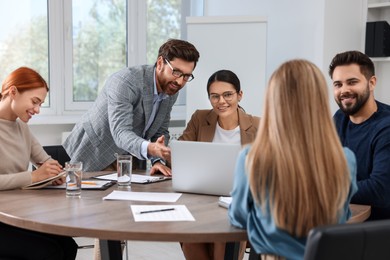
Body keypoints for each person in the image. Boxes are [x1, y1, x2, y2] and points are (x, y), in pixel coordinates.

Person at [228, 59, 357, 259]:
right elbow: (342, 216)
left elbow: (239, 217)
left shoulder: (252, 158)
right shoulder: (346, 159)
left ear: (273, 102)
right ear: (320, 101)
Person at [63, 38, 200, 176]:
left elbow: (160, 132)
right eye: (176, 72)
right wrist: (151, 148)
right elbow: (121, 132)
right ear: (160, 63)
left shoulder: (171, 90)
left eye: (186, 76)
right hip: (96, 151)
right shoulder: (126, 81)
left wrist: (157, 160)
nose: (180, 81)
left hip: (129, 157)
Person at [179, 69, 260, 260]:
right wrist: (163, 154)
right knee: (189, 236)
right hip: (202, 202)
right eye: (214, 96)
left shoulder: (258, 125)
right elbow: (180, 153)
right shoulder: (200, 119)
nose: (221, 101)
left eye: (227, 95)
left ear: (240, 95)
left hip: (239, 204)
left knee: (221, 238)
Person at [0, 67, 78, 259]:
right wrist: (33, 176)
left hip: (14, 214)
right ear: (13, 92)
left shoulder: (21, 127)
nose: (37, 110)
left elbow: (44, 160)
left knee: (68, 246)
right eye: (35, 102)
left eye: (41, 104)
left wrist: (56, 173)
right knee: (48, 252)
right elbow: (34, 174)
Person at [329, 50, 390, 220]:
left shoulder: (386, 127)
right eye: (338, 84)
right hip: (346, 220)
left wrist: (327, 190)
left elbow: (380, 189)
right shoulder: (340, 118)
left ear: (372, 83)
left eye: (352, 82)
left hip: (378, 230)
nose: (344, 90)